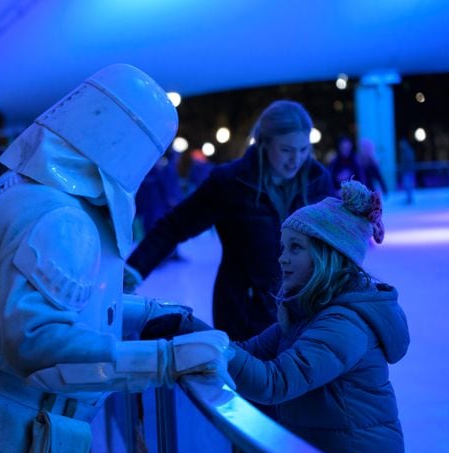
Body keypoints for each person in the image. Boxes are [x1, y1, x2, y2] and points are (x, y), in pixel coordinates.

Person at [0, 64, 232, 453]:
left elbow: (51, 302)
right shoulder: (60, 218)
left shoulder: (23, 195)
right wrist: (164, 360)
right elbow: (36, 341)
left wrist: (145, 313)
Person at [227, 180, 409, 453]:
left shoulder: (344, 324)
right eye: (282, 247)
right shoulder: (307, 314)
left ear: (329, 257)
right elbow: (248, 351)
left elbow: (274, 382)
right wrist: (191, 331)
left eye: (295, 247)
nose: (281, 257)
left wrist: (205, 351)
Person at [125, 100, 334, 341]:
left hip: (306, 311)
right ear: (264, 143)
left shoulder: (318, 181)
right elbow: (175, 226)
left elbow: (334, 244)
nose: (296, 160)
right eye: (287, 150)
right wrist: (134, 269)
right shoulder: (231, 183)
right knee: (250, 378)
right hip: (244, 315)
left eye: (304, 150)